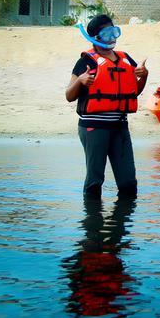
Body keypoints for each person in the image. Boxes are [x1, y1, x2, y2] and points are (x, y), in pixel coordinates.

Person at [65, 13, 148, 197]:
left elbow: (134, 92)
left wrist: (144, 75)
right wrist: (80, 80)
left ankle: (122, 223)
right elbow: (69, 96)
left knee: (128, 183)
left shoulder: (125, 58)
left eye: (113, 32)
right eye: (106, 33)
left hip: (120, 126)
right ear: (95, 37)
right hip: (94, 127)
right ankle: (92, 223)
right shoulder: (85, 62)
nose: (111, 38)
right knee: (95, 181)